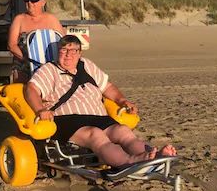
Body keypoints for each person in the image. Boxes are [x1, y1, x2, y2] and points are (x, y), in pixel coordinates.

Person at [25, 34, 176, 167]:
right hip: (67, 119)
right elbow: (31, 89)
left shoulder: (87, 65)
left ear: (79, 53)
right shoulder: (49, 69)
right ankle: (131, 161)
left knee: (123, 131)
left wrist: (123, 101)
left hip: (98, 116)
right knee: (96, 134)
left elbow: (107, 87)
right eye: (64, 50)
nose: (68, 55)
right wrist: (40, 109)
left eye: (73, 51)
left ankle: (156, 157)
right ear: (59, 52)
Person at [7, 0, 64, 82]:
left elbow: (64, 42)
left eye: (34, 0)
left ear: (43, 2)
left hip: (49, 67)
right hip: (23, 66)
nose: (29, 3)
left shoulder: (52, 20)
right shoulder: (19, 19)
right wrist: (27, 60)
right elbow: (11, 45)